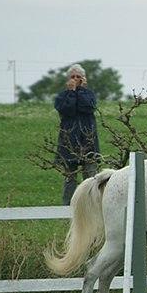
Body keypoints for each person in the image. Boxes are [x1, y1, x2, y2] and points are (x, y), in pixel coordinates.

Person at [54, 63, 100, 205]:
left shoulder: (89, 95)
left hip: (88, 142)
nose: (75, 79)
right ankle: (67, 206)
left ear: (83, 79)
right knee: (70, 178)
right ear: (68, 79)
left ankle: (92, 205)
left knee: (91, 178)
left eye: (78, 77)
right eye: (72, 77)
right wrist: (72, 92)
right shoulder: (62, 97)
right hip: (69, 143)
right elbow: (68, 110)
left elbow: (87, 107)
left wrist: (80, 91)